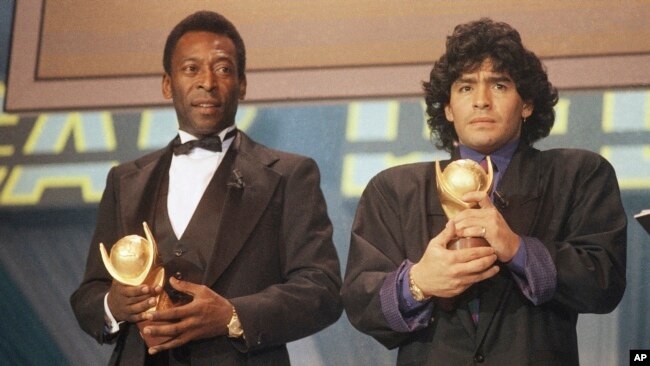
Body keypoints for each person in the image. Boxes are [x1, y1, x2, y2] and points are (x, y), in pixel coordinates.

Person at [341, 18, 626, 365]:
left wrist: (518, 249)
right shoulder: (393, 191)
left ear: (527, 104)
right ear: (447, 108)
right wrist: (417, 282)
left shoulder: (579, 175)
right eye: (464, 88)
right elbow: (358, 300)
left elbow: (603, 282)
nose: (481, 101)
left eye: (500, 86)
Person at [71, 10, 342, 365]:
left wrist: (232, 315)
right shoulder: (125, 180)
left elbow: (321, 290)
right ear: (168, 83)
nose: (207, 82)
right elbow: (90, 293)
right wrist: (113, 305)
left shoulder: (290, 176)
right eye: (191, 68)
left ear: (242, 83)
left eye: (223, 68)